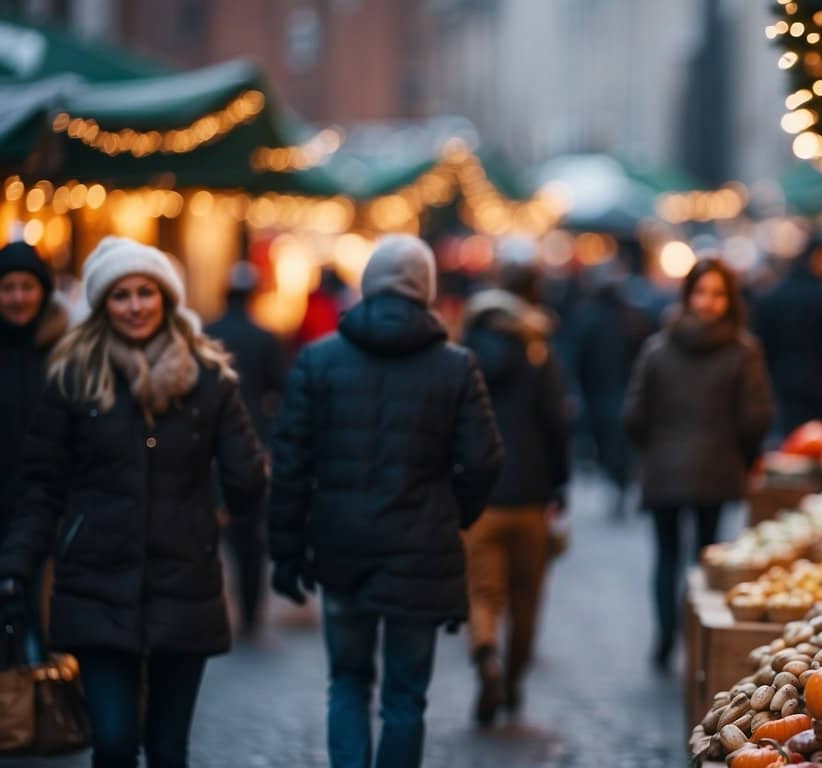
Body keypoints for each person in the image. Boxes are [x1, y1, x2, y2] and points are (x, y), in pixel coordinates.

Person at [0, 236, 266, 768]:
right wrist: (14, 566)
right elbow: (42, 485)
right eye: (121, 295)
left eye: (146, 292)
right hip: (98, 581)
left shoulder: (207, 379)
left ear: (166, 297)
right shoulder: (74, 378)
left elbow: (246, 479)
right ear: (103, 305)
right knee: (114, 742)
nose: (136, 306)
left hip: (183, 583)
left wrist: (245, 478)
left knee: (166, 749)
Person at [269, 235, 503, 768]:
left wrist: (285, 551)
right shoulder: (455, 366)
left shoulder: (318, 361)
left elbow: (289, 465)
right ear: (426, 290)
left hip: (340, 546)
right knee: (405, 697)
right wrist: (454, 513)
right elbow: (485, 460)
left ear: (368, 286)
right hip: (421, 551)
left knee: (347, 682)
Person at [624, 258, 773, 670]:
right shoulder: (743, 350)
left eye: (717, 293)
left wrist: (653, 448)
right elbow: (755, 419)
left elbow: (635, 415)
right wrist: (746, 457)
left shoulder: (658, 347)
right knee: (700, 559)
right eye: (702, 292)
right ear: (688, 295)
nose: (708, 301)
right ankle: (694, 640)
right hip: (716, 468)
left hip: (665, 468)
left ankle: (666, 637)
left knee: (668, 556)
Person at [460, 263, 571, 725]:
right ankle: (512, 683)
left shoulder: (462, 360)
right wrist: (559, 485)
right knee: (527, 597)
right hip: (530, 495)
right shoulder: (537, 358)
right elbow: (557, 424)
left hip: (480, 500)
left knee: (483, 592)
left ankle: (485, 652)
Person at [0, 241, 69, 660]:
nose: (18, 297)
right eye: (8, 288)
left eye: (27, 286)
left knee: (48, 640)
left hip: (51, 523)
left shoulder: (66, 359)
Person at [206, 261, 287, 637]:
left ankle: (217, 604)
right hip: (251, 440)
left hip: (206, 444)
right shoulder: (264, 338)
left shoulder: (209, 334)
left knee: (210, 527)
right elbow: (279, 392)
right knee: (248, 531)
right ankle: (250, 611)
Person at [574, 260, 658, 516]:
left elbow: (579, 357)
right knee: (622, 444)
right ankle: (623, 481)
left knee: (611, 444)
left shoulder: (591, 317)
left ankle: (620, 481)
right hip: (619, 390)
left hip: (602, 393)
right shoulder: (631, 317)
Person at [754, 235, 822, 435]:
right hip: (818, 390)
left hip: (782, 388)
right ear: (818, 257)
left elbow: (763, 343)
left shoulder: (773, 295)